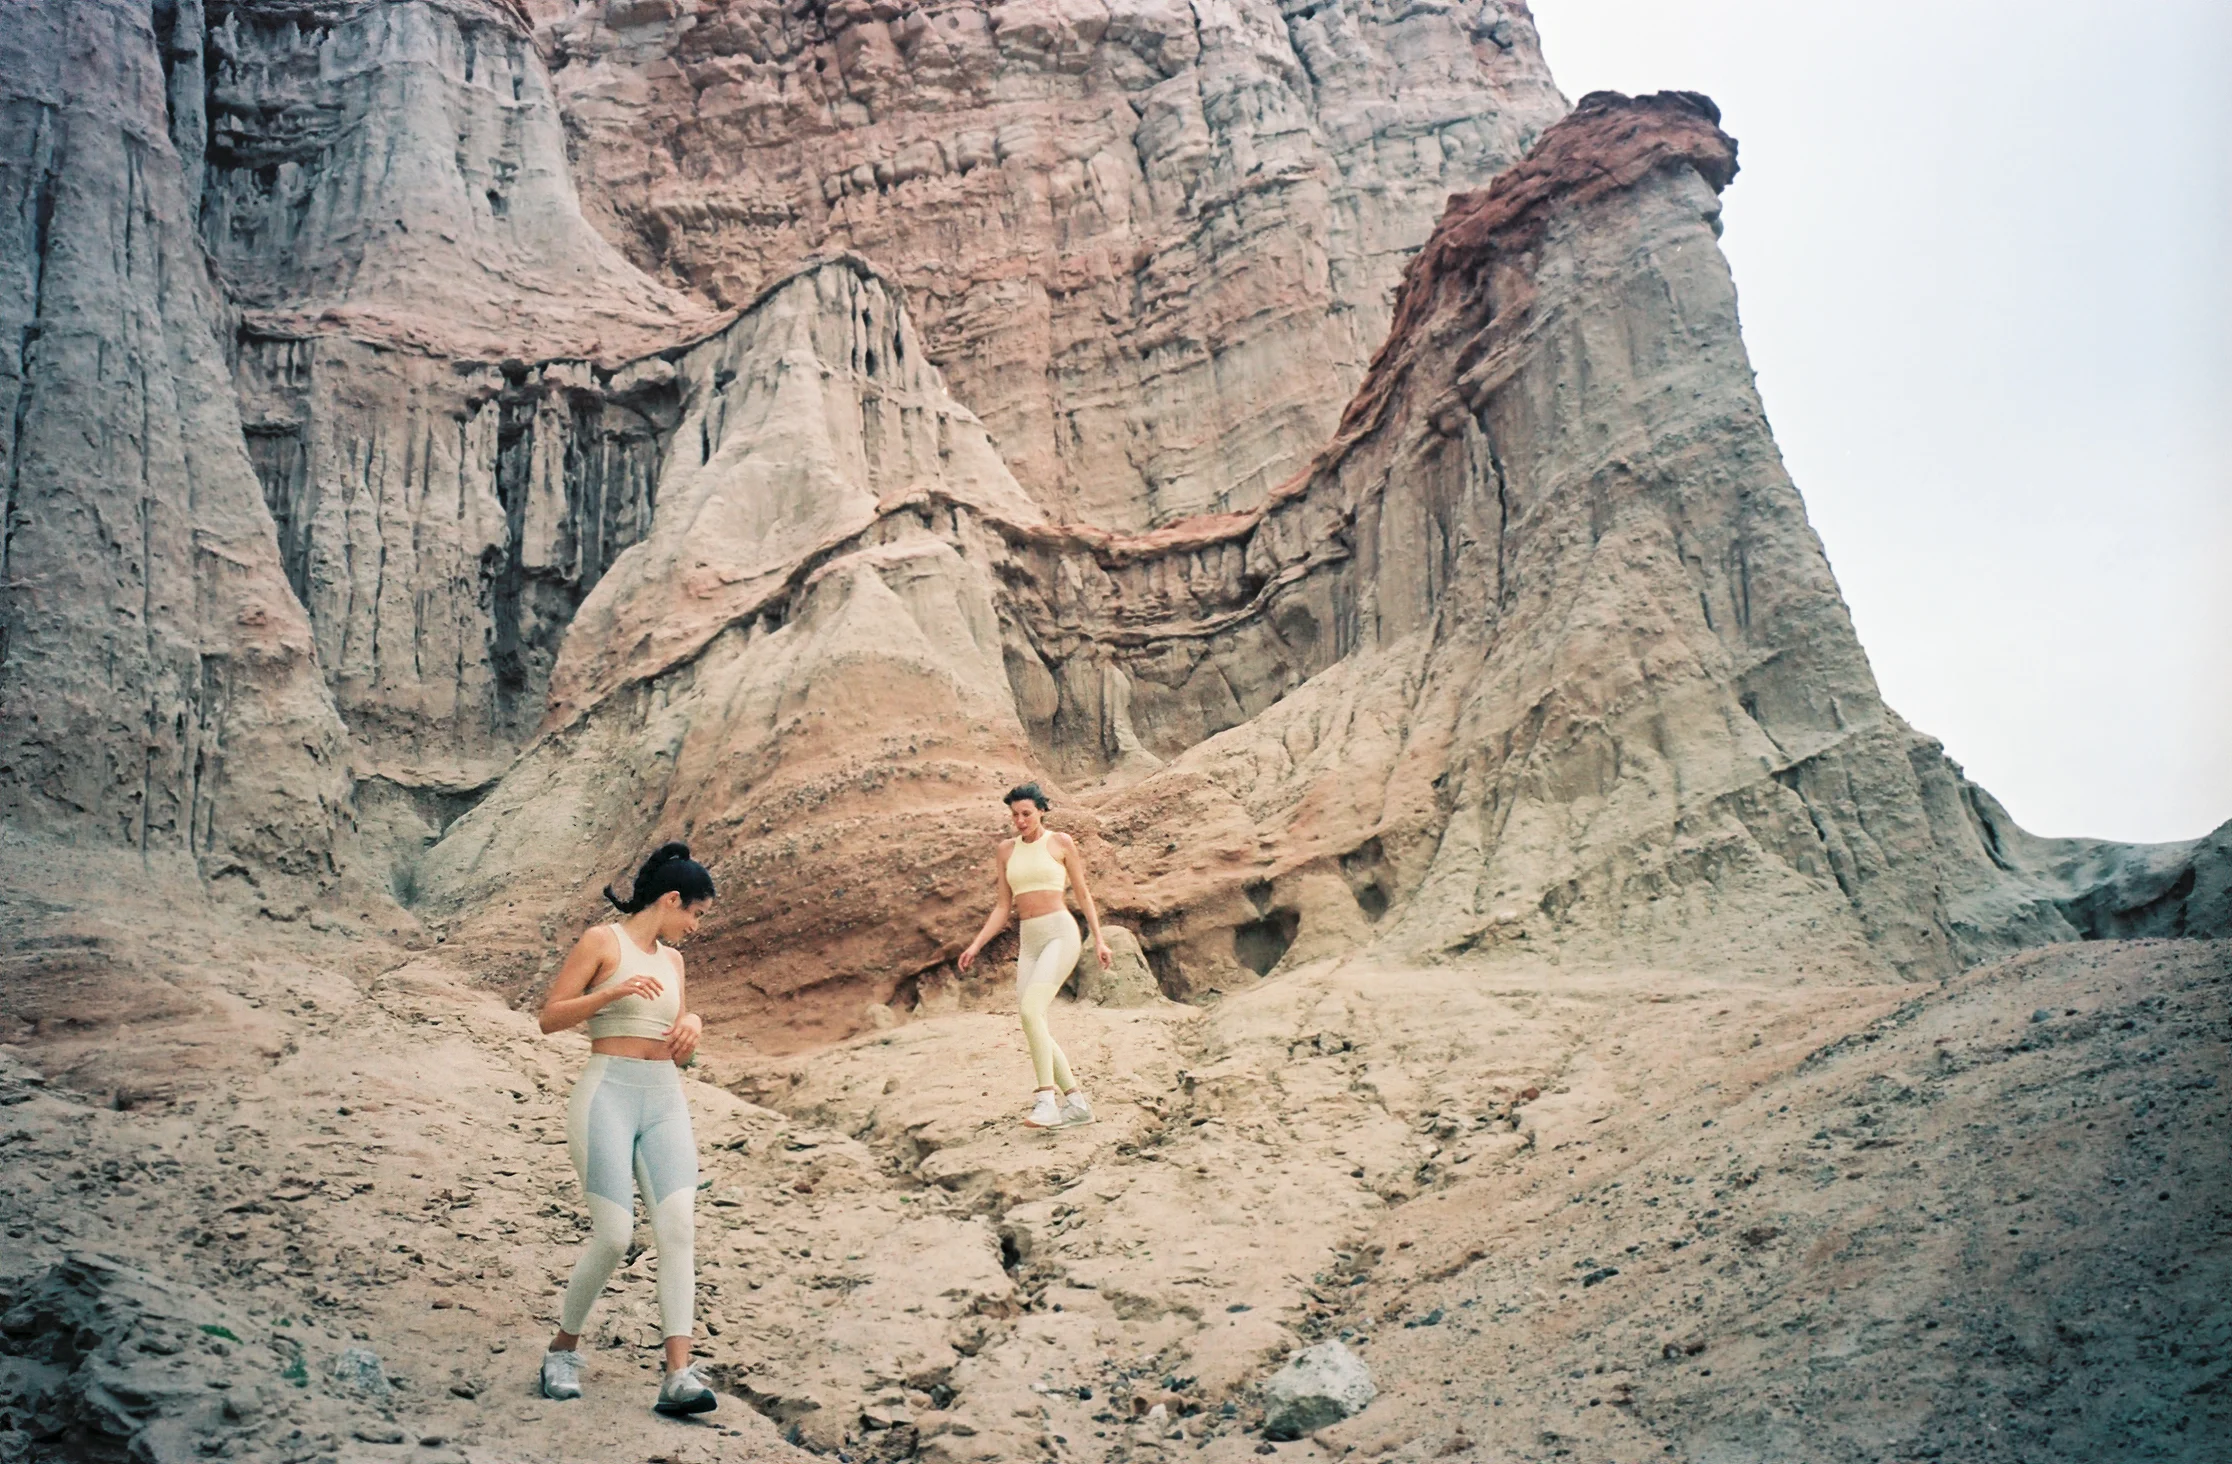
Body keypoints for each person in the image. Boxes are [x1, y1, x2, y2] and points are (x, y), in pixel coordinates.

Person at [533, 842, 718, 1416]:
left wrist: (692, 1023)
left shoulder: (675, 961)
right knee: (614, 1235)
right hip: (607, 1093)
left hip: (664, 1097)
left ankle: (679, 1375)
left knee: (678, 1226)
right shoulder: (601, 942)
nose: (696, 925)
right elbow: (548, 1018)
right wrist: (610, 992)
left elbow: (678, 1047)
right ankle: (562, 1351)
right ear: (670, 900)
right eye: (696, 912)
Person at [957, 783, 1112, 1129]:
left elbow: (1084, 895)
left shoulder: (1060, 843)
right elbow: (1002, 907)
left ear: (1041, 810)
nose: (1020, 820)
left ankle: (1046, 1101)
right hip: (1030, 941)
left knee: (1031, 1011)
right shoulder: (1005, 851)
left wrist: (1099, 940)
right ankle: (1077, 1103)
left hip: (1060, 933)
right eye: (1014, 815)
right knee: (1032, 1021)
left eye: (1026, 813)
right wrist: (976, 944)